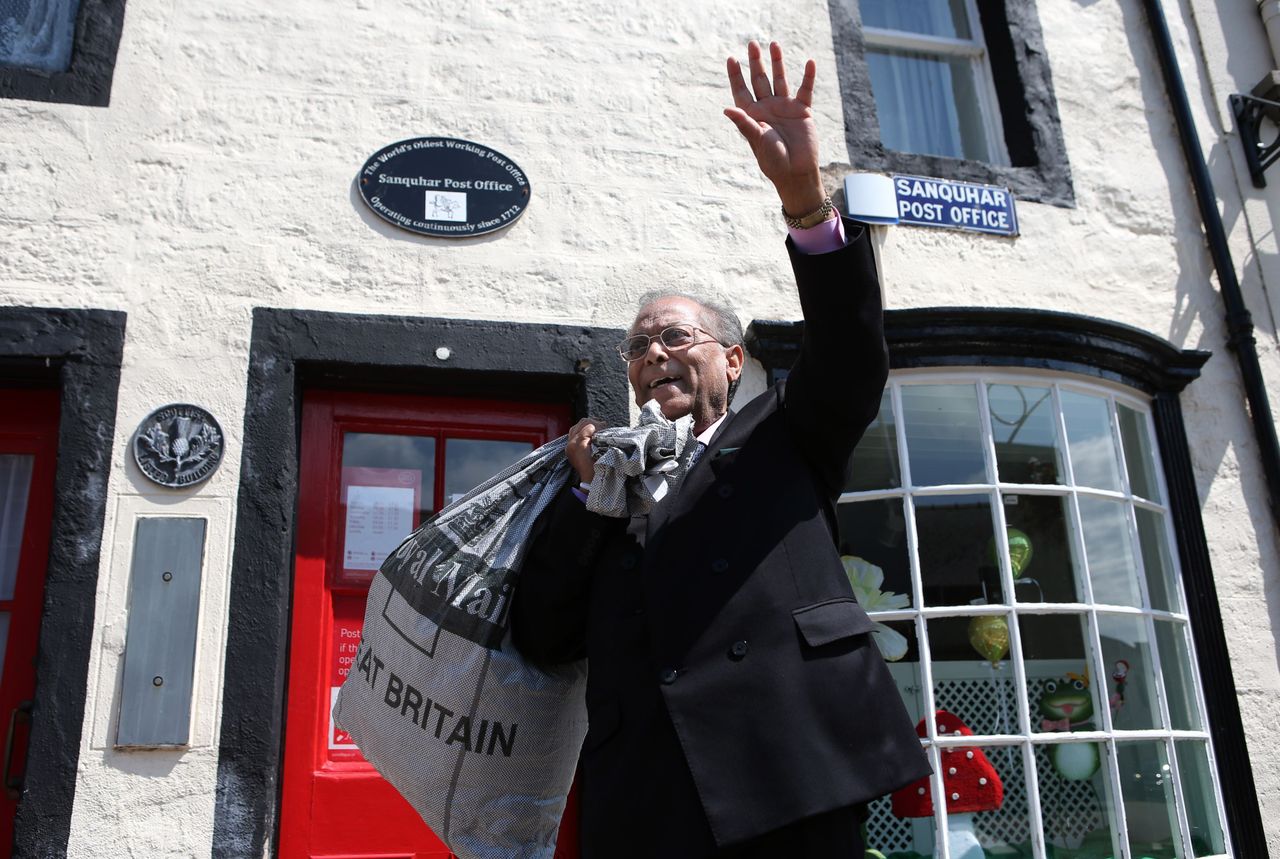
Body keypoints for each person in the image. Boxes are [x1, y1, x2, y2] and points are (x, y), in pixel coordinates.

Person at [511, 40, 931, 858]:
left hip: (787, 781)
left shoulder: (784, 430)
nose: (652, 354)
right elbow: (544, 635)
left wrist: (806, 204)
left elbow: (849, 351)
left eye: (674, 335)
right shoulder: (607, 481)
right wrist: (586, 500)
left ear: (732, 360)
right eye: (636, 347)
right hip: (646, 799)